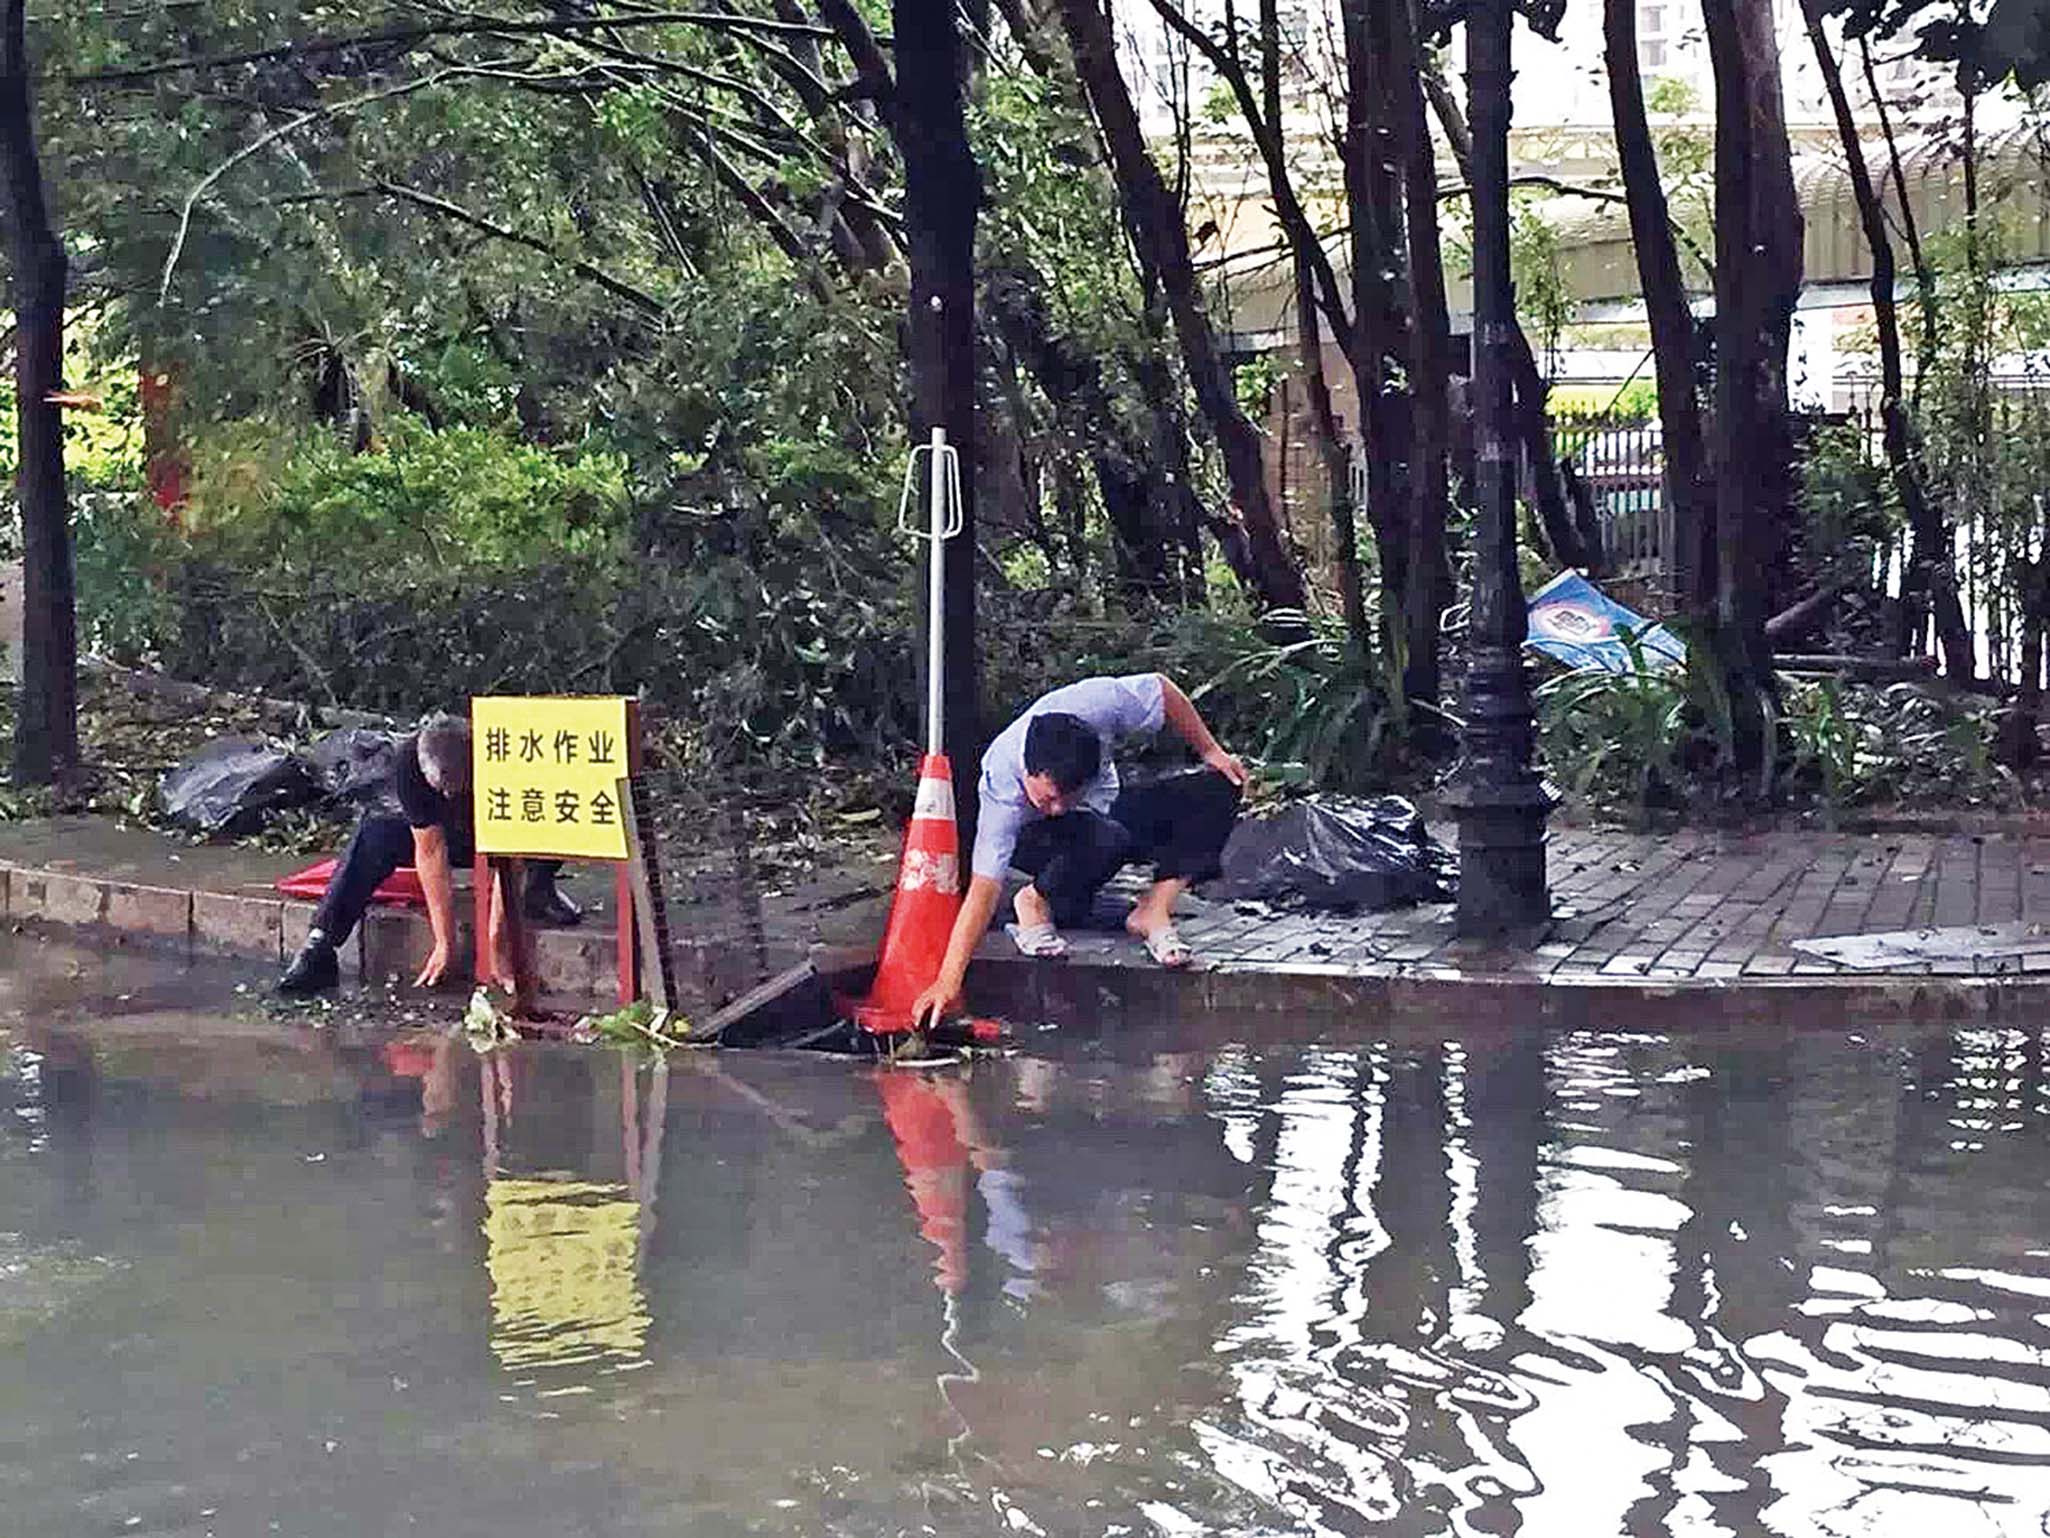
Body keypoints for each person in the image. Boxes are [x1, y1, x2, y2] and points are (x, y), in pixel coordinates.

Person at [910, 672, 1246, 1028]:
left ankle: (1152, 910)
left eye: (1064, 798)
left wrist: (1212, 751)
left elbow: (1163, 690)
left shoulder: (1100, 704)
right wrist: (948, 981)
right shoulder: (1004, 789)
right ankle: (1032, 901)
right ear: (1029, 772)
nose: (1055, 806)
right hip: (1039, 839)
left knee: (1222, 786)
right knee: (1102, 838)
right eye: (1047, 797)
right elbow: (983, 889)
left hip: (1102, 810)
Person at [276, 714, 579, 996]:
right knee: (374, 833)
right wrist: (445, 942)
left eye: (455, 789)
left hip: (512, 832)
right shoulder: (409, 760)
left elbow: (510, 855)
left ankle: (537, 889)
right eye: (440, 790)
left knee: (547, 837)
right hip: (456, 835)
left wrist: (496, 946)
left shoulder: (501, 761)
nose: (447, 796)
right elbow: (430, 850)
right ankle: (321, 942)